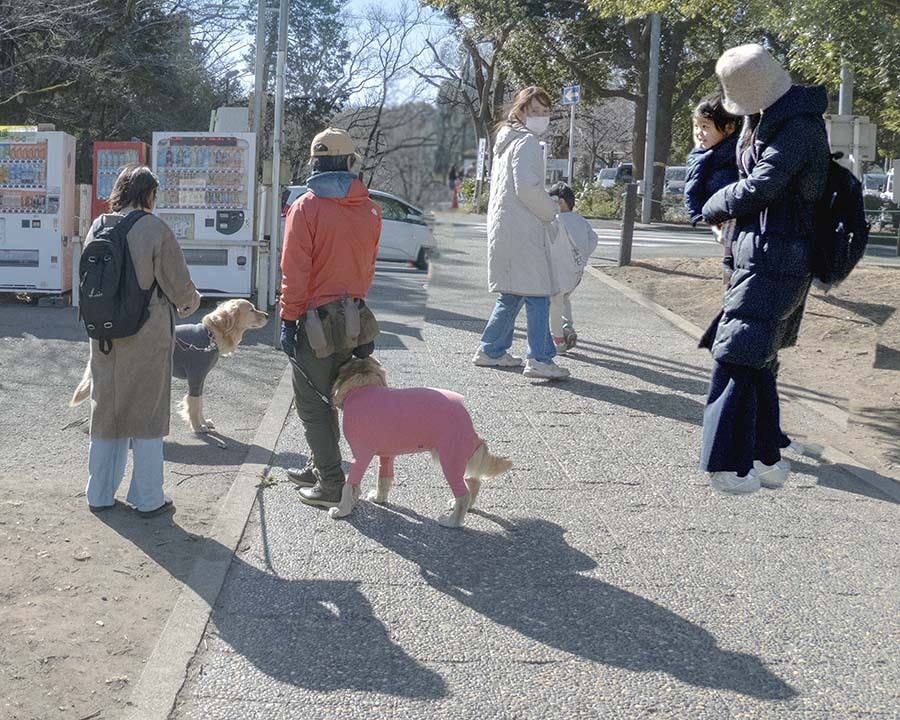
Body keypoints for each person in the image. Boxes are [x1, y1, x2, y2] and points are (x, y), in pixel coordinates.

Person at [698, 44, 829, 494]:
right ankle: (765, 456)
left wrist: (712, 206)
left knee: (738, 354)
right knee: (758, 358)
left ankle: (728, 466)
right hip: (761, 249)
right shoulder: (768, 118)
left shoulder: (797, 127)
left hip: (779, 254)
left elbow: (763, 186)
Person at [84, 166, 201, 517]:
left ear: (120, 191)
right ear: (150, 194)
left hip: (103, 334)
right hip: (146, 335)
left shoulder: (99, 225)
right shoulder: (154, 228)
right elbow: (180, 289)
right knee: (147, 414)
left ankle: (99, 494)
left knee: (106, 411)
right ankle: (148, 499)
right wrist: (192, 302)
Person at [280, 127, 381, 509]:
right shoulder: (370, 209)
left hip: (313, 321)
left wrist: (288, 321)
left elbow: (295, 272)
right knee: (340, 392)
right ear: (350, 162)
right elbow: (368, 268)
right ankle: (322, 464)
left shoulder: (306, 207)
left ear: (315, 163)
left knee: (313, 403)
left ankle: (331, 484)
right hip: (354, 318)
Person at [473, 85, 569, 380]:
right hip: (524, 230)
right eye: (534, 111)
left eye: (545, 112)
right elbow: (527, 189)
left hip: (505, 229)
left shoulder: (505, 141)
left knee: (512, 294)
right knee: (538, 294)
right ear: (521, 111)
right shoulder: (526, 143)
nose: (540, 117)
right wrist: (551, 209)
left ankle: (491, 349)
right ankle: (540, 358)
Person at [684, 94, 740, 285]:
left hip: (732, 217)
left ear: (729, 127)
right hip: (718, 217)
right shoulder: (703, 155)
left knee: (731, 257)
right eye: (696, 126)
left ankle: (730, 276)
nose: (699, 133)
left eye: (705, 127)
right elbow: (693, 186)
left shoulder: (732, 156)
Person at [547, 182, 599, 353]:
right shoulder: (581, 220)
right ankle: (567, 326)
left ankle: (559, 340)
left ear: (559, 202)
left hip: (559, 271)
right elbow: (593, 239)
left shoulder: (556, 220)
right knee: (565, 300)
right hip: (576, 272)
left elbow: (547, 240)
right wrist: (582, 257)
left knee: (555, 302)